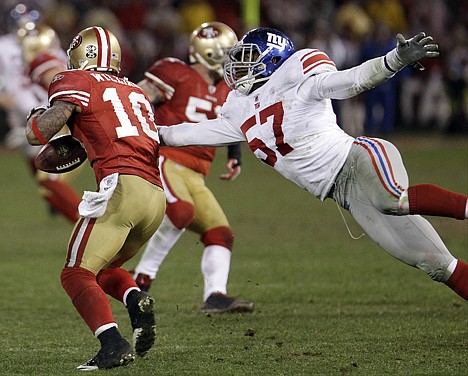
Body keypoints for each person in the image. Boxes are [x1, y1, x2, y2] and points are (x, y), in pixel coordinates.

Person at [156, 27, 468, 301]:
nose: (238, 66)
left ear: (274, 58)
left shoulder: (298, 73)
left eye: (248, 57)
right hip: (343, 193)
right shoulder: (239, 107)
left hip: (357, 160)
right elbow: (197, 132)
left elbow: (352, 81)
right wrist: (157, 134)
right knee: (435, 264)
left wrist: (394, 60)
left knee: (392, 200)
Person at [26, 26, 166, 370]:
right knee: (103, 268)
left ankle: (113, 344)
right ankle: (135, 300)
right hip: (155, 194)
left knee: (75, 273)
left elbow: (41, 132)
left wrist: (35, 123)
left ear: (80, 54)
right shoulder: (134, 89)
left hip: (121, 188)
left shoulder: (76, 80)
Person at [132, 21, 254, 313]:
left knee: (220, 233)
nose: (234, 61)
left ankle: (214, 295)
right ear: (210, 53)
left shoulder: (228, 89)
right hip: (166, 159)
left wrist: (234, 154)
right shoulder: (174, 72)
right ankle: (140, 280)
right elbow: (134, 99)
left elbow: (230, 124)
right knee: (181, 212)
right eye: (228, 53)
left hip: (197, 172)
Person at [19, 21, 83, 223]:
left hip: (73, 130)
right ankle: (87, 221)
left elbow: (59, 84)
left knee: (48, 179)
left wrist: (58, 117)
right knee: (46, 182)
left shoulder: (42, 60)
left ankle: (90, 224)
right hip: (76, 127)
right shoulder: (58, 57)